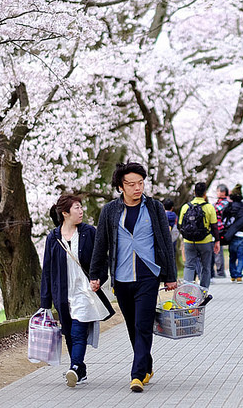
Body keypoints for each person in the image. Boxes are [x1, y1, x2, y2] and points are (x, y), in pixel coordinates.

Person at [90, 162, 177, 393]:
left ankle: (136, 374)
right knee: (132, 326)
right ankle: (146, 363)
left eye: (140, 183)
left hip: (148, 275)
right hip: (122, 277)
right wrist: (96, 275)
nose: (137, 188)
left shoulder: (155, 208)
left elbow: (165, 243)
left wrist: (170, 275)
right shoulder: (110, 210)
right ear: (121, 187)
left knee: (143, 324)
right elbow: (102, 245)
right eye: (131, 184)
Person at [40, 193, 115, 388]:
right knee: (69, 332)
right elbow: (47, 270)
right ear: (65, 213)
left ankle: (73, 366)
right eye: (76, 208)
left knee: (78, 330)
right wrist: (45, 302)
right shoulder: (53, 238)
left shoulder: (90, 232)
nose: (81, 211)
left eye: (81, 207)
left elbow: (102, 260)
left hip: (85, 291)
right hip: (63, 294)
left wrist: (98, 278)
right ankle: (80, 371)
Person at [179, 182, 219, 289]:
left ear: (194, 192)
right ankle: (204, 291)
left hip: (189, 242)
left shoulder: (185, 207)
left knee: (189, 265)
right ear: (205, 194)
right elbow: (214, 226)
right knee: (205, 267)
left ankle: (187, 291)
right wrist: (217, 241)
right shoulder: (209, 207)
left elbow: (180, 225)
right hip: (205, 241)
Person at [221, 184, 243, 283]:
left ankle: (233, 275)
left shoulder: (229, 206)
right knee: (241, 257)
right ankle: (239, 275)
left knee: (232, 257)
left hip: (233, 235)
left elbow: (224, 219)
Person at [212, 184, 230, 278]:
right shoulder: (219, 202)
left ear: (223, 192)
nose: (217, 193)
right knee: (216, 250)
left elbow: (214, 210)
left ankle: (220, 272)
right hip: (216, 228)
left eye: (219, 191)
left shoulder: (224, 203)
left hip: (219, 229)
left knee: (217, 250)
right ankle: (219, 271)